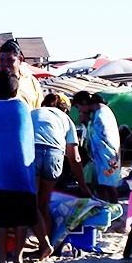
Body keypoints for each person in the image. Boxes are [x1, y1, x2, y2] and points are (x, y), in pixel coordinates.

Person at [0, 70, 51, 263]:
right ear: (16, 90)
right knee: (21, 218)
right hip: (22, 173)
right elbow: (27, 137)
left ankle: (3, 258)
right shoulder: (22, 107)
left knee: (1, 219)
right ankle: (18, 256)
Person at [31, 93, 91, 238]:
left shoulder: (33, 113)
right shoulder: (66, 119)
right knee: (43, 204)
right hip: (55, 155)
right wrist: (83, 186)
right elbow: (74, 157)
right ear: (65, 109)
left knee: (32, 204)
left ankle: (43, 243)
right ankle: (47, 243)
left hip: (33, 151)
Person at [73, 91, 121, 203]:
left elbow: (102, 134)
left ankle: (114, 206)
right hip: (105, 153)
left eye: (79, 107)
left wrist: (87, 123)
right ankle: (105, 206)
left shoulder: (101, 113)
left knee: (108, 184)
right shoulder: (101, 111)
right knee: (101, 184)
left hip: (106, 153)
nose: (80, 111)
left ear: (84, 102)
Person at [0, 38, 43, 114]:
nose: (5, 64)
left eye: (10, 60)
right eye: (2, 60)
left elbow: (39, 110)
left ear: (20, 59)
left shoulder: (31, 82)